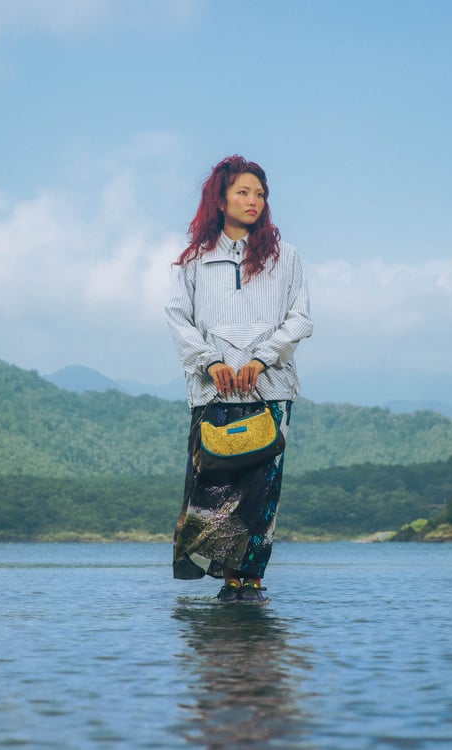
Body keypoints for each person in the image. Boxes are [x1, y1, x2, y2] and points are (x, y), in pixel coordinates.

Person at [165, 155, 313, 602]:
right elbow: (177, 317)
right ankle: (230, 579)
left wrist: (262, 359)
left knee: (261, 489)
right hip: (212, 391)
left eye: (260, 194)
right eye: (243, 192)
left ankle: (251, 582)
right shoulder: (193, 259)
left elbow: (300, 318)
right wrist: (210, 362)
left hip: (271, 389)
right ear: (220, 199)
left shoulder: (285, 257)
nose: (254, 201)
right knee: (215, 487)